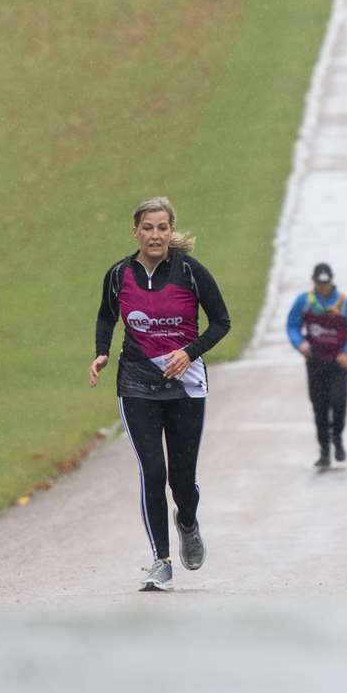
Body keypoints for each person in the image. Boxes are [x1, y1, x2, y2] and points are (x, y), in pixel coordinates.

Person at [91, 195, 231, 593]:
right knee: (153, 472)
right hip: (136, 384)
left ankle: (187, 520)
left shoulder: (190, 272)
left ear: (171, 231)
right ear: (136, 232)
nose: (156, 235)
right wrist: (101, 352)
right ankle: (161, 562)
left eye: (163, 228)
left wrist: (189, 353)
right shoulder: (119, 274)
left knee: (181, 481)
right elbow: (106, 314)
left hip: (186, 387)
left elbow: (221, 321)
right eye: (148, 228)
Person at [286, 262, 347, 469]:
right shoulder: (304, 301)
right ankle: (324, 450)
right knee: (319, 406)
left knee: (338, 402)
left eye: (326, 284)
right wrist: (299, 343)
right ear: (314, 282)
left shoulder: (345, 303)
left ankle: (337, 437)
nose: (323, 288)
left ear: (332, 282)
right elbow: (292, 325)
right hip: (315, 361)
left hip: (338, 362)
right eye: (319, 284)